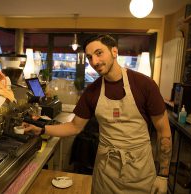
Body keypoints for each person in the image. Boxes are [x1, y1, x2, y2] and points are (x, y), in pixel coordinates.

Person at [23, 34, 172, 194]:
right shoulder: (92, 91)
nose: (94, 62)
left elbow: (163, 131)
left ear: (114, 51)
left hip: (140, 173)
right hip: (106, 175)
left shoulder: (144, 84)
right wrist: (43, 129)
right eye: (89, 57)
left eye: (99, 53)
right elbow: (74, 127)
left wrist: (163, 176)